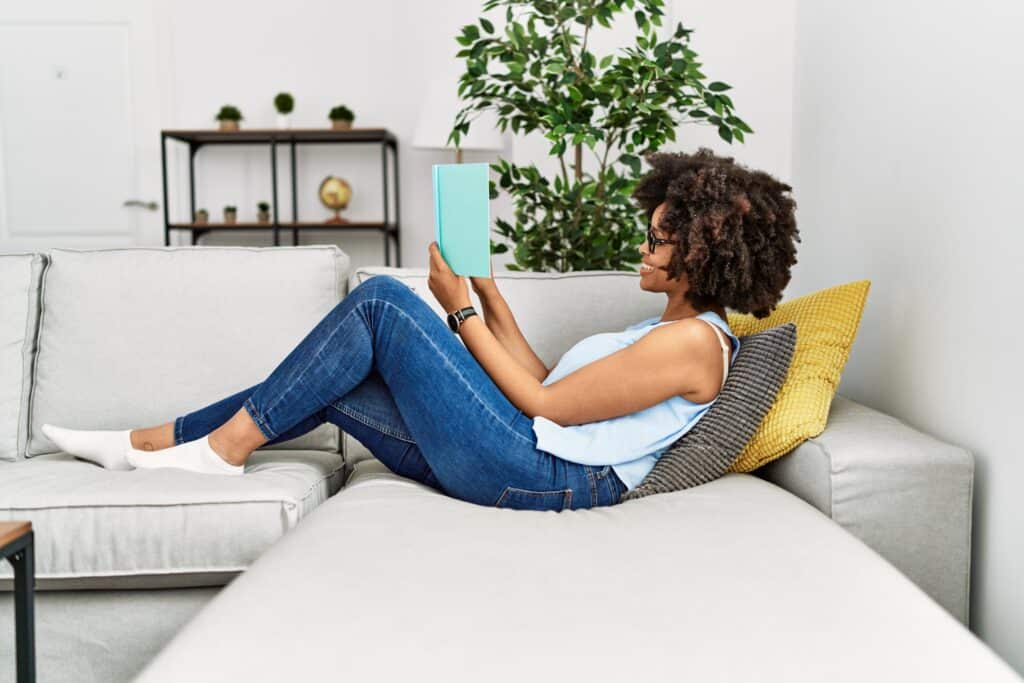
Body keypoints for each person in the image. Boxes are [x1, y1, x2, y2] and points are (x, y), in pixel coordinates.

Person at [41, 148, 800, 511]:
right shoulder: (665, 325)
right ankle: (153, 445)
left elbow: (547, 408)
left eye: (660, 239)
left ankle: (216, 450)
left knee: (382, 303)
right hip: (529, 450)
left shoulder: (695, 345)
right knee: (342, 377)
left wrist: (457, 313)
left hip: (543, 476)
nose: (645, 246)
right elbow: (551, 381)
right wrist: (489, 293)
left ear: (702, 255)